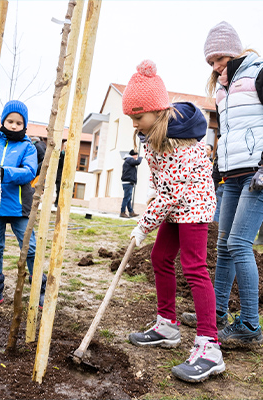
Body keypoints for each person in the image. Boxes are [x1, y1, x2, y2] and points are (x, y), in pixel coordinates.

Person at [122, 59, 225, 383]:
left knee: (194, 267)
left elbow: (171, 195)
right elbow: (164, 191)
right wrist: (153, 211)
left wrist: (143, 224)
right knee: (160, 257)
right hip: (176, 207)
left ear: (156, 111)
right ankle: (167, 325)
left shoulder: (182, 147)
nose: (135, 124)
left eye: (138, 116)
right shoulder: (153, 140)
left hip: (194, 207)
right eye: (131, 118)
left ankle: (210, 348)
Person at [183, 21, 263, 347]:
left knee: (240, 244)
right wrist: (216, 171)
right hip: (232, 175)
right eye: (211, 62)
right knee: (224, 245)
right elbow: (227, 135)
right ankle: (216, 313)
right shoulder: (221, 89)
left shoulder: (258, 74)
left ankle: (249, 325)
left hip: (257, 175)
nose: (216, 66)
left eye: (219, 58)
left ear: (234, 50)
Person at [0, 100, 47, 309]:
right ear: (3, 121)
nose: (14, 125)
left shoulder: (28, 147)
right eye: (10, 121)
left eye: (19, 122)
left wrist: (5, 172)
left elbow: (29, 172)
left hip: (18, 206)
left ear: (24, 125)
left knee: (30, 247)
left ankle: (38, 289)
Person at [120, 149, 142, 218]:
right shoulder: (129, 159)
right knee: (126, 198)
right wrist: (140, 158)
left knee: (128, 198)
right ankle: (122, 212)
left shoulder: (128, 160)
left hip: (128, 182)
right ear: (134, 155)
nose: (136, 157)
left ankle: (131, 212)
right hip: (128, 182)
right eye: (136, 156)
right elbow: (137, 162)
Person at [54, 140, 66, 207]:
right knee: (58, 190)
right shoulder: (60, 155)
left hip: (66, 176)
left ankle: (62, 202)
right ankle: (57, 202)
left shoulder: (71, 156)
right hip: (59, 175)